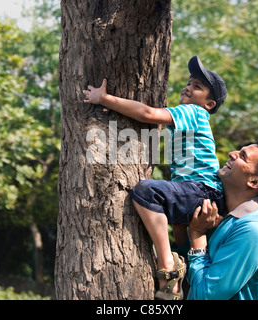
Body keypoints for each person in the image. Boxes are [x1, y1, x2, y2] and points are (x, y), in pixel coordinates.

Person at [83, 56, 227, 300]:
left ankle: (166, 262)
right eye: (190, 82)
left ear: (209, 104)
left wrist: (104, 98)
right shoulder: (190, 117)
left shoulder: (194, 112)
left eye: (197, 87)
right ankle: (179, 280)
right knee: (182, 237)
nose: (188, 88)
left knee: (146, 192)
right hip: (199, 193)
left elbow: (147, 113)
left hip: (202, 192)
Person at [186, 138, 258, 300]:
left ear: (255, 182)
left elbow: (206, 295)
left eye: (242, 157)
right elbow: (192, 272)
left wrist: (198, 234)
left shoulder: (253, 231)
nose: (232, 154)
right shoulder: (226, 215)